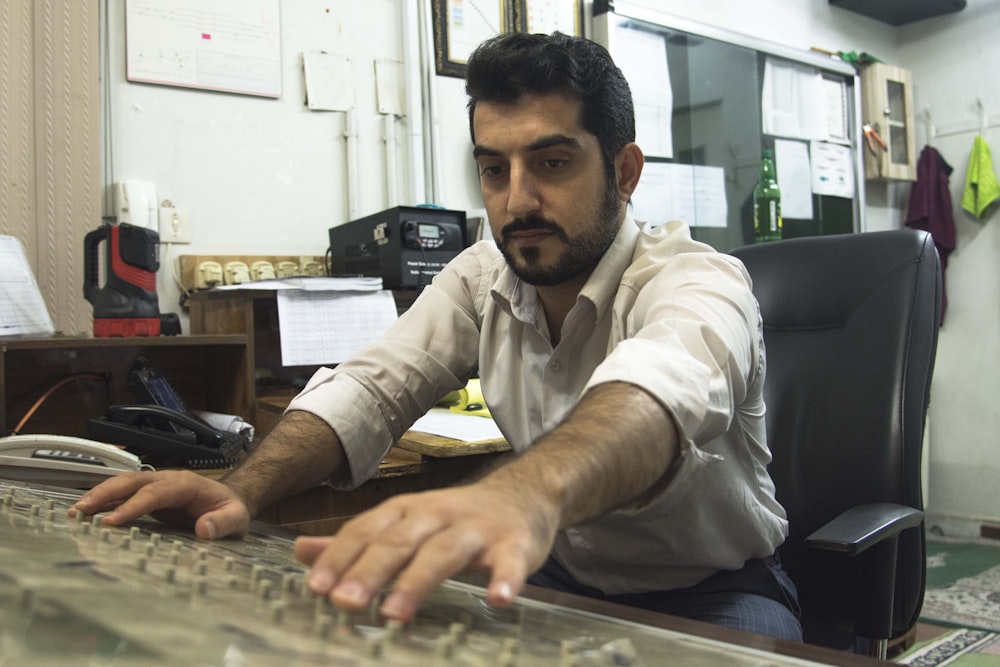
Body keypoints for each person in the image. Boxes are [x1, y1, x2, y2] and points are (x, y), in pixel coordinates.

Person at [73, 32, 802, 641]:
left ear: (624, 170)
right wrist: (240, 488)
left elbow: (657, 392)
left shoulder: (701, 282)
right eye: (494, 168)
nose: (516, 200)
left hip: (714, 592)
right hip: (556, 574)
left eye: (551, 163)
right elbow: (372, 384)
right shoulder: (482, 274)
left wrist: (523, 496)